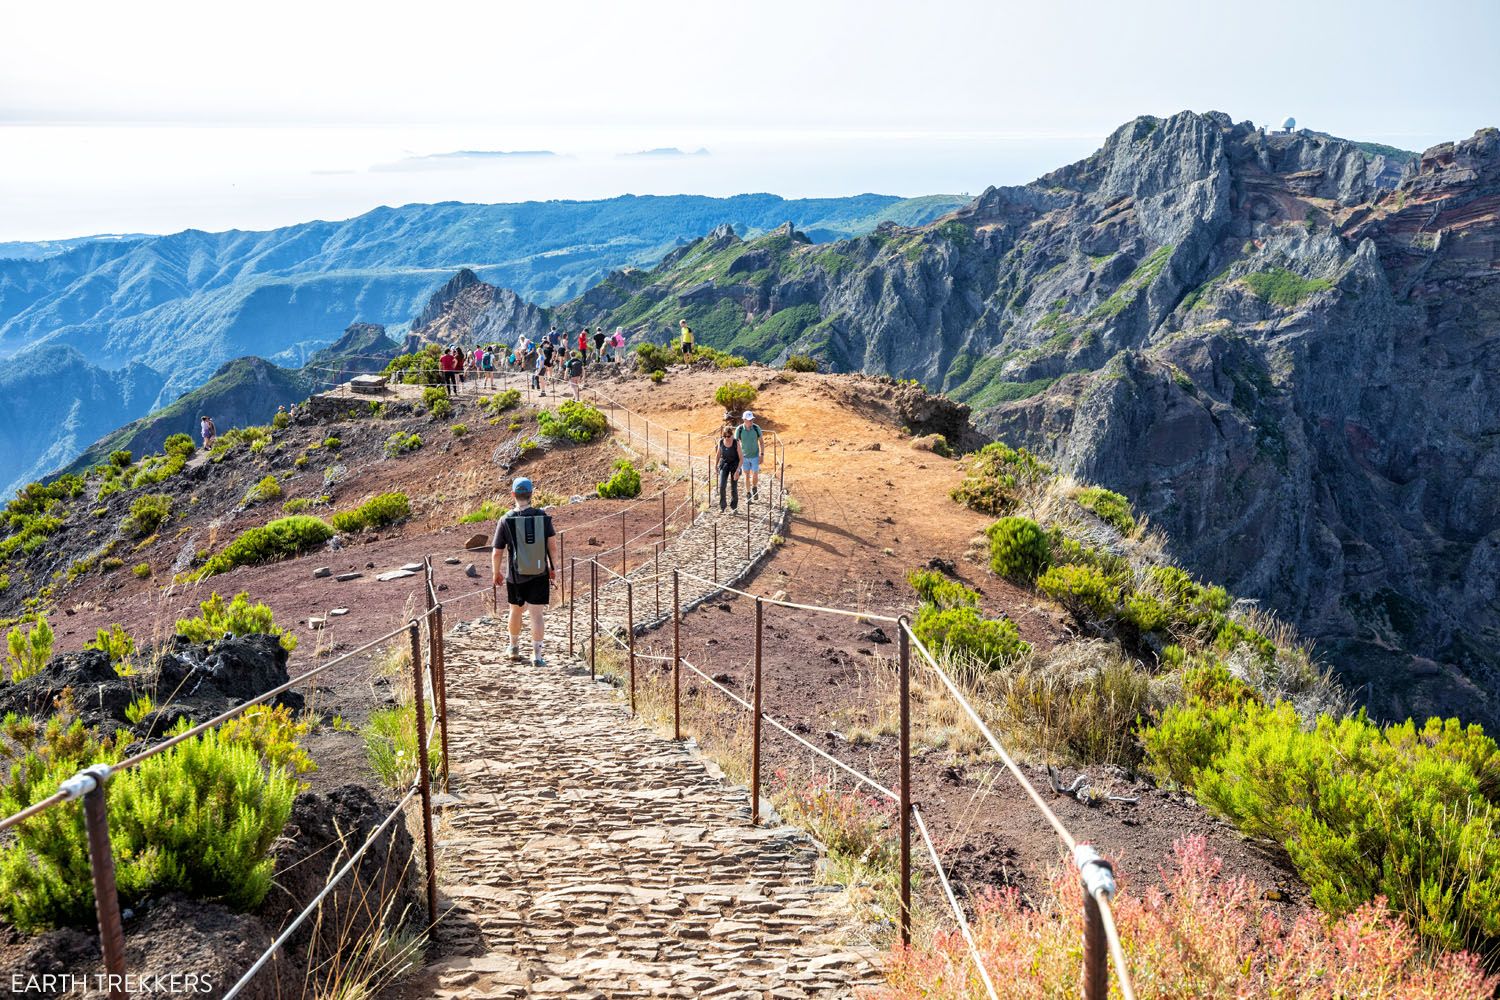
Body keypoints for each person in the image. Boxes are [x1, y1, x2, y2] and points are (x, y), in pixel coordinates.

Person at [491, 477, 559, 667]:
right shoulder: (542, 517)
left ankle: (513, 648)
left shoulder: (505, 519)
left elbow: (497, 552)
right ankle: (537, 657)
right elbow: (552, 547)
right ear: (531, 494)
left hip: (515, 575)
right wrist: (553, 569)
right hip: (539, 573)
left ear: (513, 494)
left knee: (515, 611)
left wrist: (496, 574)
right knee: (536, 615)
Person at [735, 410, 764, 501]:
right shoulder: (739, 429)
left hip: (755, 456)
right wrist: (738, 457)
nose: (751, 421)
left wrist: (761, 455)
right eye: (749, 420)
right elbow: (736, 444)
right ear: (744, 420)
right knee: (746, 475)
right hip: (744, 457)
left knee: (755, 474)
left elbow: (761, 442)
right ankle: (748, 493)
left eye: (752, 419)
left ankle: (754, 487)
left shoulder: (756, 428)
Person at [715, 424, 741, 514]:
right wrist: (715, 465)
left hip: (734, 465)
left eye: (728, 436)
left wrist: (738, 470)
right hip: (724, 464)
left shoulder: (736, 443)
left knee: (734, 487)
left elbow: (741, 458)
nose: (726, 438)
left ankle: (734, 507)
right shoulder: (721, 442)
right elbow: (718, 454)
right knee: (722, 486)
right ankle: (722, 506)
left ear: (732, 435)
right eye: (725, 436)